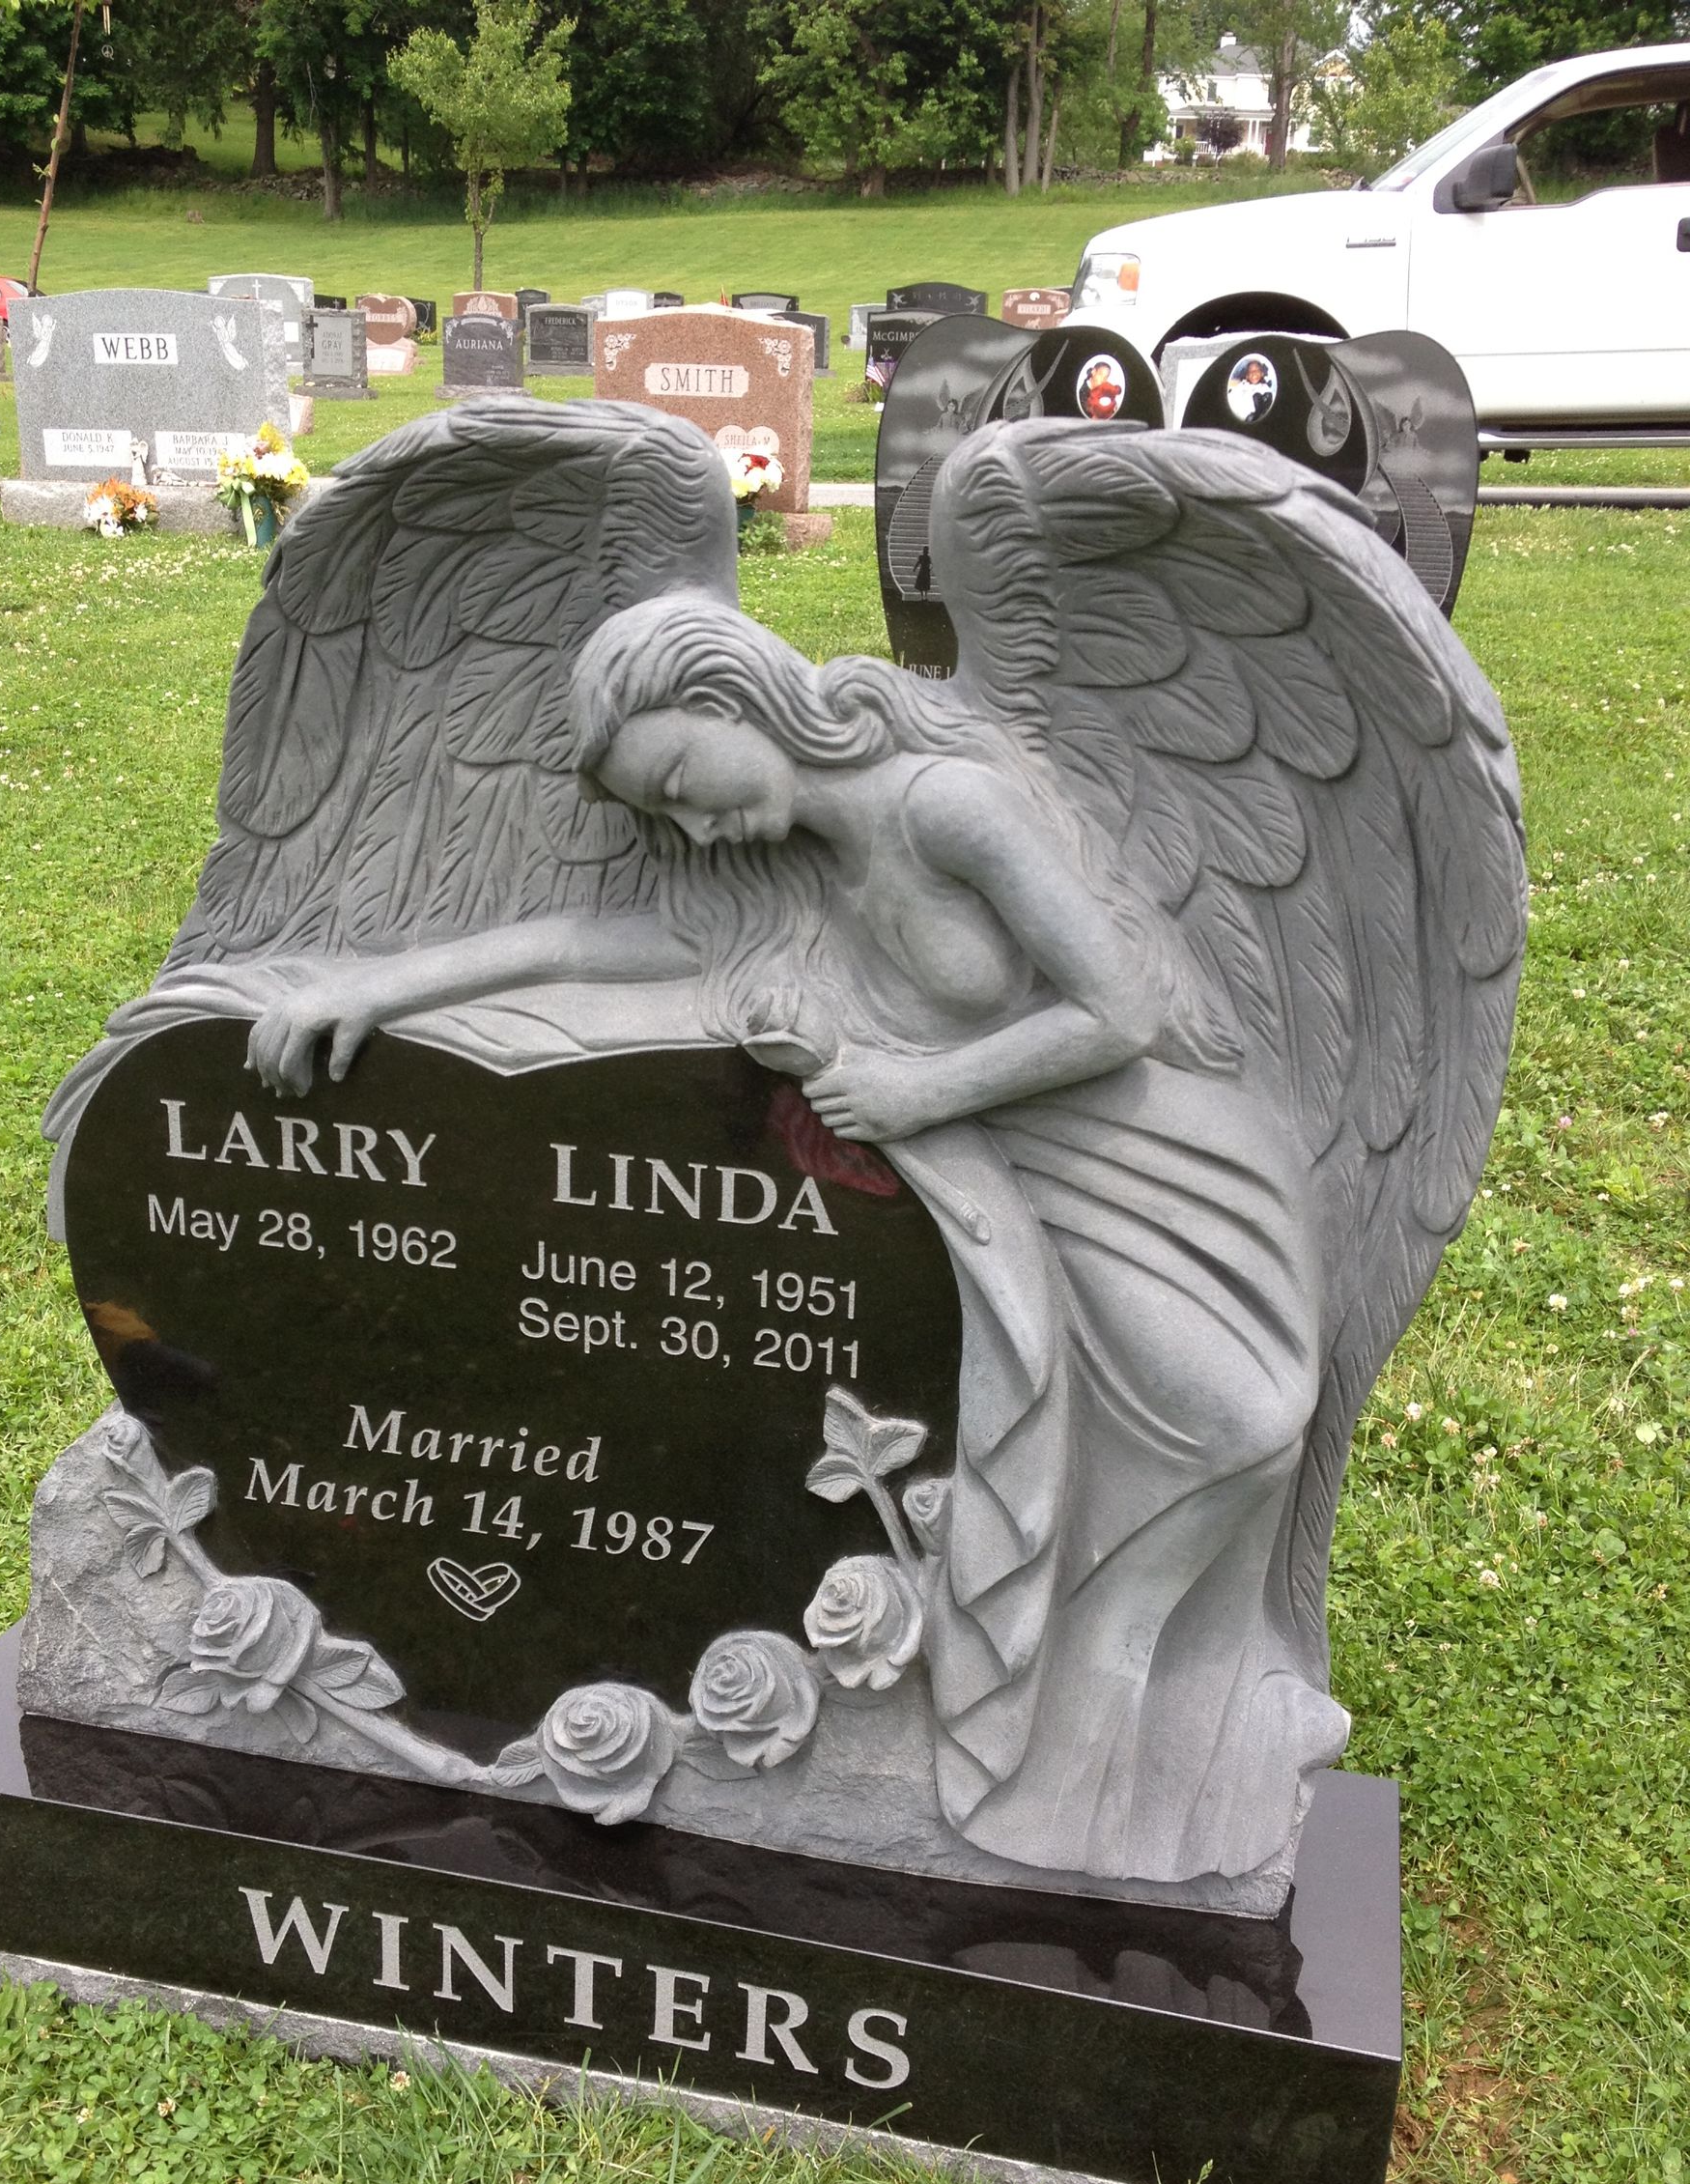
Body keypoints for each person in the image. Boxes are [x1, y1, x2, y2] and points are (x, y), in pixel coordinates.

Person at [249, 595, 1346, 1888]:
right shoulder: (780, 879)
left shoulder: (946, 806)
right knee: (1138, 1458)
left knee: (1242, 1424)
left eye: (680, 782)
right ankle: (1100, 1750)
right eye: (663, 817)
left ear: (730, 698)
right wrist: (380, 983)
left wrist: (920, 1091)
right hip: (1004, 1193)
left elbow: (1123, 1007)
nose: (692, 828)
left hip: (1151, 1164)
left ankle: (1158, 1710)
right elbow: (589, 940)